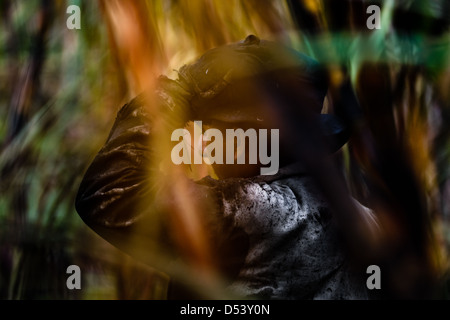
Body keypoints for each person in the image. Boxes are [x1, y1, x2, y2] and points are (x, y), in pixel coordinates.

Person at [75, 35, 379, 299]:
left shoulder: (256, 210)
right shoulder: (366, 220)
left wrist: (180, 88)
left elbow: (107, 193)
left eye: (215, 130)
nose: (207, 145)